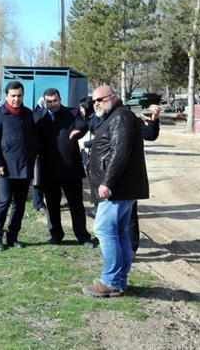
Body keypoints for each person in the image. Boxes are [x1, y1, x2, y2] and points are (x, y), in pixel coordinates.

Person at [82, 85, 149, 298]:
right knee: (120, 233)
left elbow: (119, 154)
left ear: (112, 97)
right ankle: (119, 280)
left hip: (117, 189)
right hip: (121, 188)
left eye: (100, 100)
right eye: (94, 101)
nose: (96, 104)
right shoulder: (117, 117)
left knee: (103, 230)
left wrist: (107, 183)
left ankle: (110, 280)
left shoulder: (120, 118)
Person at [76, 103, 160, 252]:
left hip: (126, 176)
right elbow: (99, 135)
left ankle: (131, 250)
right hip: (105, 173)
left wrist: (154, 120)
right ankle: (116, 248)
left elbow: (150, 134)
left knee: (129, 216)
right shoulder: (102, 118)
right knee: (109, 217)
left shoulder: (128, 119)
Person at [34, 88, 94, 248]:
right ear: (44, 102)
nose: (53, 104)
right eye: (49, 101)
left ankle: (83, 236)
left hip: (70, 168)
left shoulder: (72, 113)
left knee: (76, 204)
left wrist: (78, 130)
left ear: (60, 99)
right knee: (52, 205)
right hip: (48, 169)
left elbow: (84, 122)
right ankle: (56, 235)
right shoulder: (39, 117)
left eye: (55, 100)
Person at [0, 81, 38, 251]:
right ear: (6, 96)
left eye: (19, 96)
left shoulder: (28, 114)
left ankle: (13, 236)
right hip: (5, 168)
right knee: (4, 201)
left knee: (20, 204)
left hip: (24, 167)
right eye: (13, 96)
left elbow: (32, 137)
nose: (16, 99)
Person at [32, 97, 47, 212]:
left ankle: (41, 202)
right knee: (38, 179)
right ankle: (38, 203)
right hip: (37, 152)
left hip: (47, 151)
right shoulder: (35, 115)